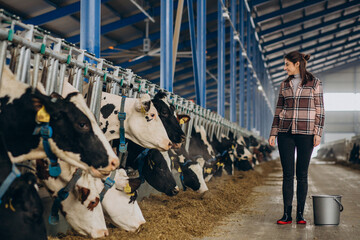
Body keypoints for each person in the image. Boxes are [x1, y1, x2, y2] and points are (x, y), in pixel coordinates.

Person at [268, 51, 325, 225]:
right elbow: (278, 110)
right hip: (285, 133)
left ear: (297, 64)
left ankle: (300, 214)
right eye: (285, 64)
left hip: (306, 133)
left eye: (287, 64)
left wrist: (318, 133)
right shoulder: (284, 85)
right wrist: (273, 133)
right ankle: (287, 214)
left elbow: (320, 111)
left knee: (302, 174)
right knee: (287, 174)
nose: (285, 68)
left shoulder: (315, 83)